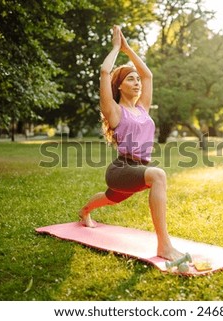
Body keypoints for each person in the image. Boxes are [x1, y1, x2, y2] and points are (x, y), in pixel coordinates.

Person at [79, 25, 183, 261]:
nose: (138, 83)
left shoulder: (142, 108)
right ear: (119, 86)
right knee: (158, 175)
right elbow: (105, 72)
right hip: (121, 168)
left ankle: (84, 211)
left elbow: (148, 75)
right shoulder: (114, 111)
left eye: (137, 80)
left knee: (110, 198)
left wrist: (128, 50)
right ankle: (164, 246)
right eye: (131, 79)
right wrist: (116, 48)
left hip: (135, 169)